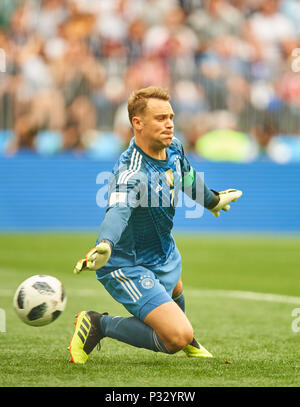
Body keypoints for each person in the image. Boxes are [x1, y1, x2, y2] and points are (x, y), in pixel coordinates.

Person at [69, 86, 242, 364]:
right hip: (127, 263)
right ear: (137, 123)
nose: (170, 123)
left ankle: (182, 332)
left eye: (171, 116)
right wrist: (105, 243)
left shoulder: (173, 148)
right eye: (161, 118)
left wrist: (211, 201)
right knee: (175, 337)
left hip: (162, 253)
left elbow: (186, 178)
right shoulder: (132, 172)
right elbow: (118, 210)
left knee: (175, 288)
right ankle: (99, 324)